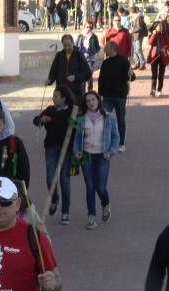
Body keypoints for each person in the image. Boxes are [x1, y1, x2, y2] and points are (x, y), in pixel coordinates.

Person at [73, 90, 120, 229]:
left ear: (98, 100)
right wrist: (77, 151)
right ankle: (91, 217)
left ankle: (105, 204)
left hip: (102, 156)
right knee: (90, 187)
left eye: (93, 100)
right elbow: (77, 138)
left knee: (100, 187)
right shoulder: (81, 118)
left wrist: (111, 151)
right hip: (86, 156)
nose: (91, 103)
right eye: (88, 101)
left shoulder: (108, 117)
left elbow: (116, 137)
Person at [33, 86, 76, 224]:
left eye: (56, 96)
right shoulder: (50, 110)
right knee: (50, 178)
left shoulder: (72, 111)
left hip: (67, 149)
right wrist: (41, 120)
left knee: (64, 179)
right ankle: (55, 198)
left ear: (64, 98)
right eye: (53, 95)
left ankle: (65, 211)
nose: (54, 98)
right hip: (51, 147)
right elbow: (36, 120)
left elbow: (78, 128)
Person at [98, 41, 131, 152]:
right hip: (107, 95)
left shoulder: (124, 61)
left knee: (120, 119)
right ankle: (106, 140)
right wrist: (99, 93)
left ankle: (121, 143)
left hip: (120, 95)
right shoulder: (105, 63)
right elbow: (101, 78)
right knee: (105, 118)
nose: (104, 50)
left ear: (112, 49)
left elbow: (131, 76)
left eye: (106, 48)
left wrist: (131, 74)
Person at [47, 34, 93, 103]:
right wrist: (49, 80)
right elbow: (53, 71)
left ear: (73, 43)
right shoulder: (59, 55)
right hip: (61, 92)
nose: (67, 47)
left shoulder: (79, 55)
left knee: (74, 112)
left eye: (69, 45)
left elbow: (87, 73)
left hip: (75, 91)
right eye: (65, 45)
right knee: (62, 112)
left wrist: (75, 77)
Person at [147, 20, 169, 97]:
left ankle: (159, 89)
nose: (160, 28)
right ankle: (153, 89)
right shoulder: (153, 34)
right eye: (158, 26)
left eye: (161, 26)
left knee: (161, 74)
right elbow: (149, 43)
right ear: (155, 27)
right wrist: (154, 35)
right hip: (154, 56)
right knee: (154, 74)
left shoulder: (165, 35)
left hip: (163, 56)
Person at [77, 22, 102, 91]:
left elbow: (98, 47)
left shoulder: (94, 36)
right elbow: (76, 46)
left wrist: (92, 52)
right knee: (82, 75)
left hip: (90, 59)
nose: (89, 29)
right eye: (87, 27)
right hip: (81, 58)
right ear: (84, 27)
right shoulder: (80, 36)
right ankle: (82, 91)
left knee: (89, 74)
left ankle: (90, 89)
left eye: (90, 27)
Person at [129, 6, 148, 70]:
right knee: (135, 50)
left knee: (138, 49)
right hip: (135, 35)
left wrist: (132, 31)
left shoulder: (139, 17)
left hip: (138, 35)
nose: (130, 14)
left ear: (133, 12)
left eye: (131, 12)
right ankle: (137, 63)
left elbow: (139, 27)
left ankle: (142, 64)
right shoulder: (134, 18)